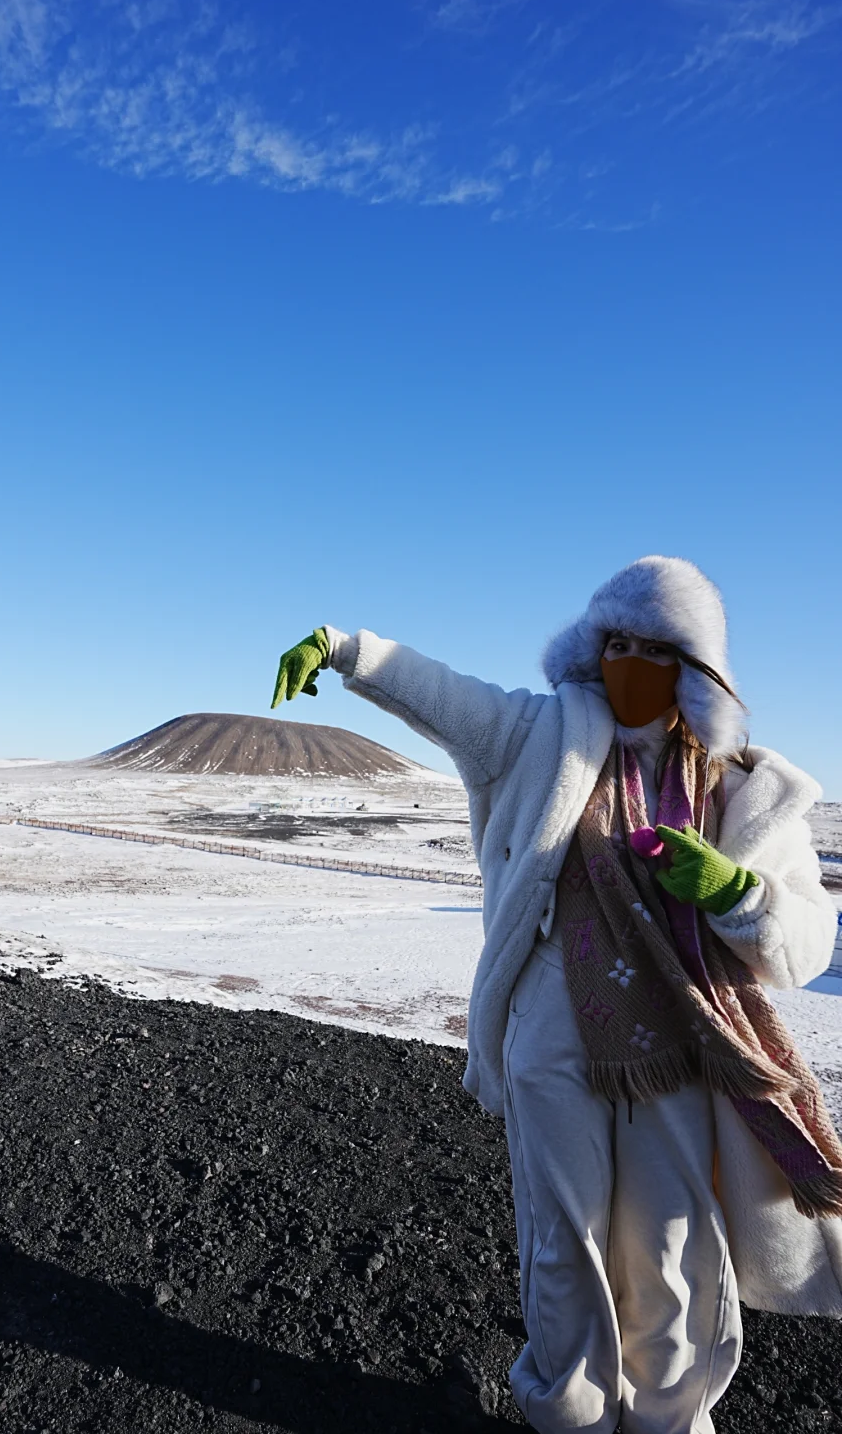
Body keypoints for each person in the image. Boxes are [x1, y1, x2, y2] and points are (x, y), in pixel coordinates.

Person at [271, 556, 841, 1434]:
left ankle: (669, 1422)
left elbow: (806, 944)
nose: (628, 661)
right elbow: (445, 696)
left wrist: (734, 891)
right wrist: (346, 649)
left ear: (696, 669)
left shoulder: (740, 792)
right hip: (553, 1027)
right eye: (613, 640)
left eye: (653, 647)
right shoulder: (544, 735)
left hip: (682, 1045)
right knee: (563, 1242)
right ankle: (566, 1414)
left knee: (671, 1253)